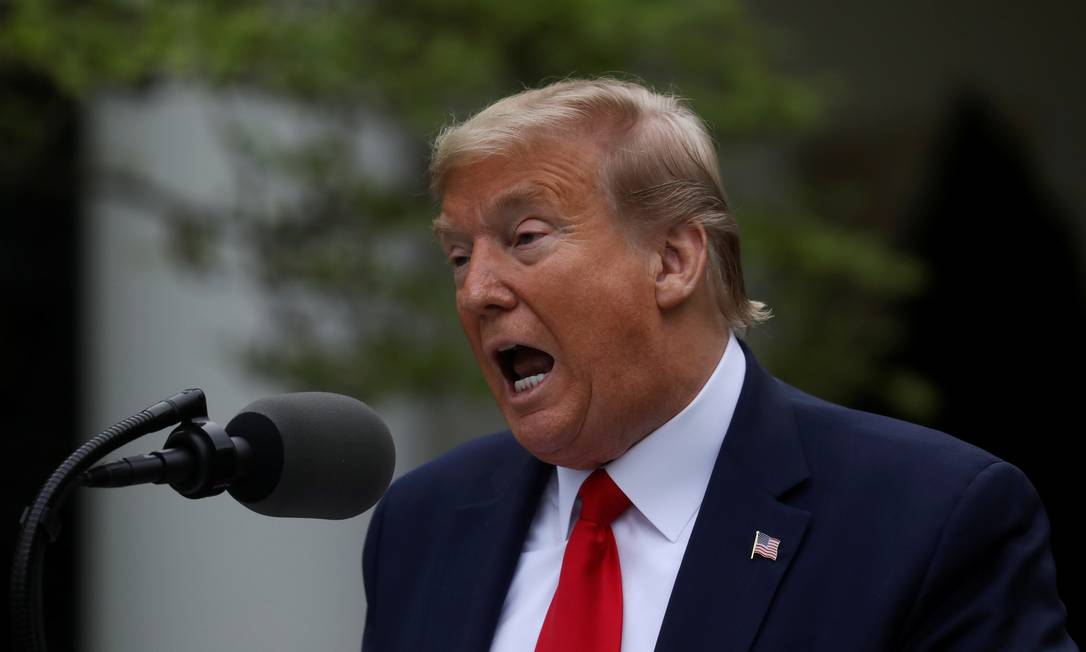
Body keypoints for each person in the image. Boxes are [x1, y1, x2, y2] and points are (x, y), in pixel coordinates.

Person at [361, 78, 1075, 651]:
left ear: (673, 261)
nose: (477, 290)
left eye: (525, 237)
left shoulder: (930, 518)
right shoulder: (423, 524)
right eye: (458, 255)